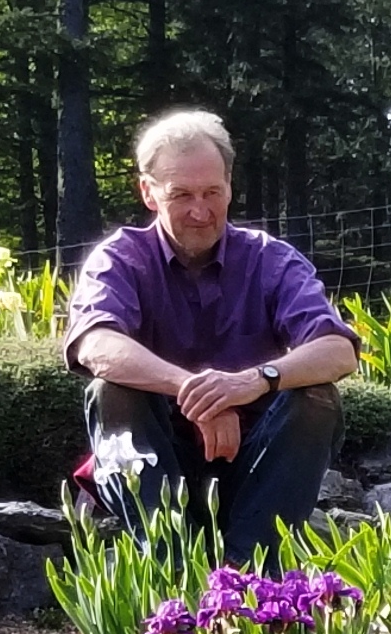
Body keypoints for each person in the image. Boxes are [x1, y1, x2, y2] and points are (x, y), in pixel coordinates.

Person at [63, 111, 362, 558]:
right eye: (181, 194)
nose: (200, 211)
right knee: (111, 391)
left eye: (212, 193)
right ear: (148, 192)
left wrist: (248, 383)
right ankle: (169, 567)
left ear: (230, 186)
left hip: (256, 462)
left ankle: (252, 579)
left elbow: (338, 350)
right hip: (156, 461)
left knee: (316, 397)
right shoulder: (119, 260)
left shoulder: (271, 260)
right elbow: (96, 344)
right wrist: (196, 392)